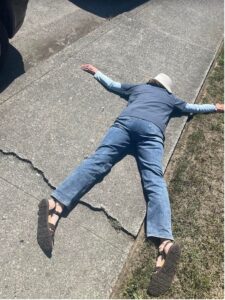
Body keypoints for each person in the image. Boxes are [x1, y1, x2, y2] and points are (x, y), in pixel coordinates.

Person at [37, 64, 224, 296]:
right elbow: (191, 107)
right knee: (154, 181)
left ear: (152, 81)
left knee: (97, 162)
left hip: (126, 123)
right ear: (167, 89)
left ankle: (55, 207)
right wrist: (215, 107)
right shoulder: (172, 99)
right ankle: (165, 244)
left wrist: (96, 72)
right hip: (151, 133)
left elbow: (113, 85)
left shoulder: (139, 88)